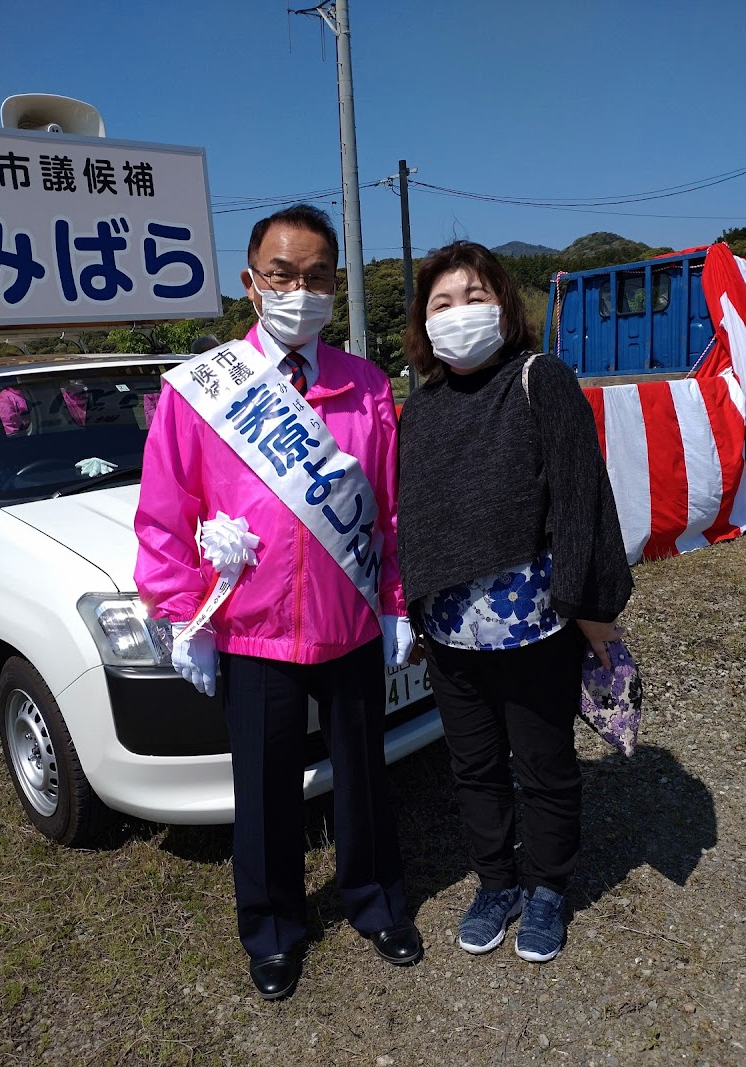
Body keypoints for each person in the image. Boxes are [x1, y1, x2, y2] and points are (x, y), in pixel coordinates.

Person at [134, 204, 422, 1001]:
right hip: (253, 630)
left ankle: (377, 902)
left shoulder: (363, 385)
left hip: (350, 620)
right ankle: (272, 930)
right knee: (263, 792)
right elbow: (166, 513)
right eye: (283, 274)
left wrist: (394, 601)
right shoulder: (203, 390)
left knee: (365, 774)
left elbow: (388, 507)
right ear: (251, 283)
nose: (302, 289)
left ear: (336, 283)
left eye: (318, 276)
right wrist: (180, 618)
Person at [397, 241, 633, 963]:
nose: (459, 313)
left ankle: (549, 886)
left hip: (534, 631)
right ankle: (496, 881)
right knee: (473, 768)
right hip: (450, 637)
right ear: (423, 323)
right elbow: (415, 516)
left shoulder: (541, 379)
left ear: (504, 304)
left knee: (545, 764)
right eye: (442, 302)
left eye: (475, 296)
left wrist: (599, 627)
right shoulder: (423, 407)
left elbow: (579, 504)